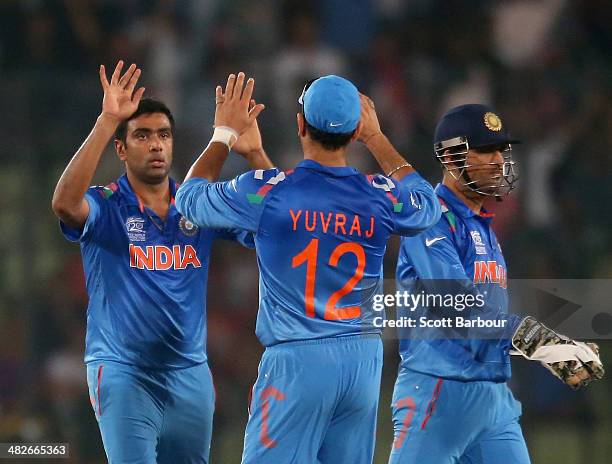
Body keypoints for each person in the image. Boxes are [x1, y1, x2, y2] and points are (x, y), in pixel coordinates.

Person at [175, 72, 441, 463]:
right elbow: (427, 205)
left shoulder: (269, 190)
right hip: (362, 364)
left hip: (297, 362)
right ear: (354, 132)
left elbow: (189, 199)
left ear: (300, 124)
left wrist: (224, 134)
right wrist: (378, 138)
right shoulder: (378, 195)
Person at [51, 60, 273, 464]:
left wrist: (256, 151)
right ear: (121, 148)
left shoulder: (196, 204)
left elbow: (278, 221)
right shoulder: (107, 205)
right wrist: (106, 120)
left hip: (190, 376)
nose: (156, 144)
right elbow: (65, 204)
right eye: (142, 135)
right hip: (123, 373)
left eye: (163, 135)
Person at [389, 104, 604, 464]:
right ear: (450, 156)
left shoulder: (482, 226)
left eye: (500, 151)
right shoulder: (432, 219)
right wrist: (538, 340)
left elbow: (486, 323)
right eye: (485, 150)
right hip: (438, 390)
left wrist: (541, 350)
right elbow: (459, 309)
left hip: (493, 396)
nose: (497, 161)